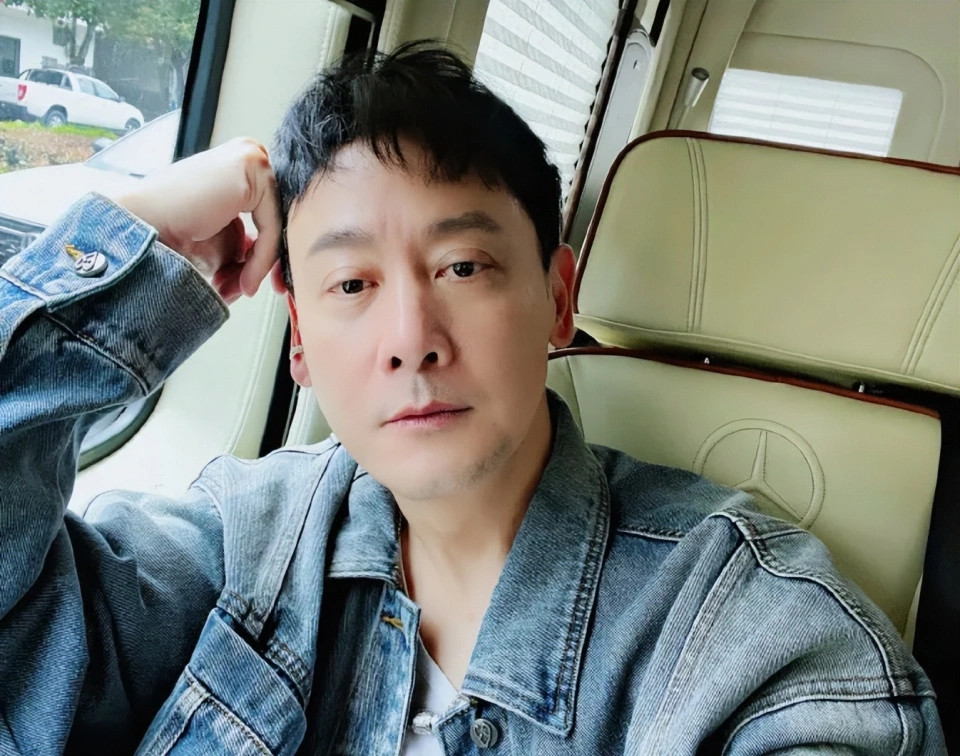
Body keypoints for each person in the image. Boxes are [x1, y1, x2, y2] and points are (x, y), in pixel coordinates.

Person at [0, 42, 945, 755]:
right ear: (300, 343)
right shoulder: (245, 542)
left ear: (559, 300)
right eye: (351, 285)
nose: (411, 337)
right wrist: (125, 251)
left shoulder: (746, 635)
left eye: (462, 265)